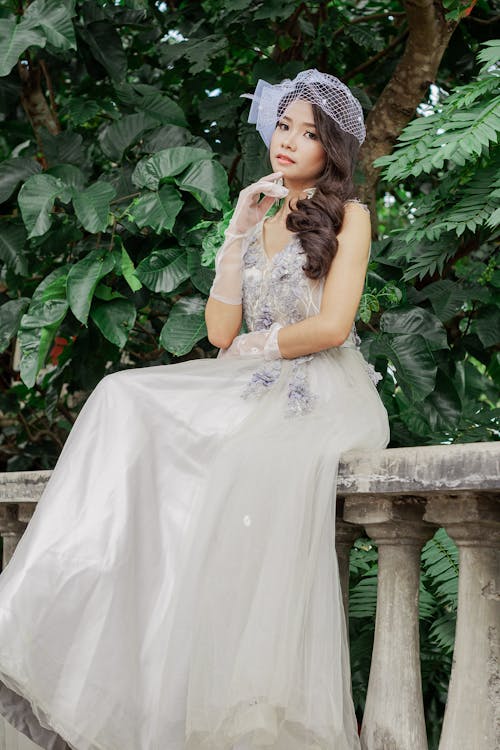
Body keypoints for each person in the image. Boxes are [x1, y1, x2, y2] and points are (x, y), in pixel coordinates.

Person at [0, 69, 389, 750]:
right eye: (283, 127)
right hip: (255, 381)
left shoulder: (348, 216)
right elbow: (217, 333)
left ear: (333, 148)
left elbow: (331, 327)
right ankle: (57, 606)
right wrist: (238, 234)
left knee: (230, 468)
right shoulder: (266, 212)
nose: (289, 141)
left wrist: (261, 344)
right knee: (123, 398)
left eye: (307, 133)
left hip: (323, 388)